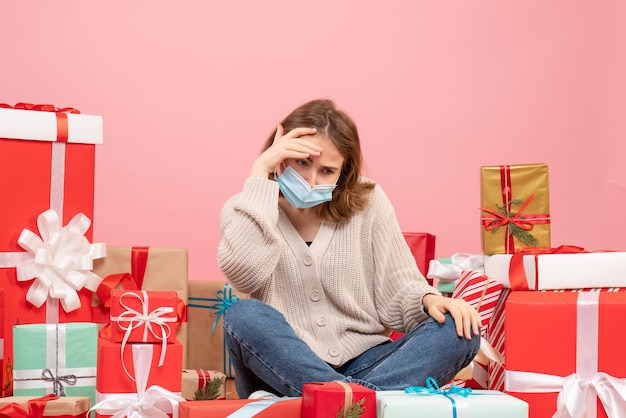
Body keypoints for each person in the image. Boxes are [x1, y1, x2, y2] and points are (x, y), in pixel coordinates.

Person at [217, 98, 481, 399]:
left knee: (460, 329)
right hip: (287, 367)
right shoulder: (245, 209)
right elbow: (245, 276)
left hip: (371, 362)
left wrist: (428, 302)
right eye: (302, 162)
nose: (311, 180)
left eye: (327, 171)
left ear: (343, 174)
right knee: (244, 315)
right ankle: (363, 402)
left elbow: (398, 286)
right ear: (280, 155)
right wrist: (260, 173)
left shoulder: (368, 202)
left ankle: (339, 402)